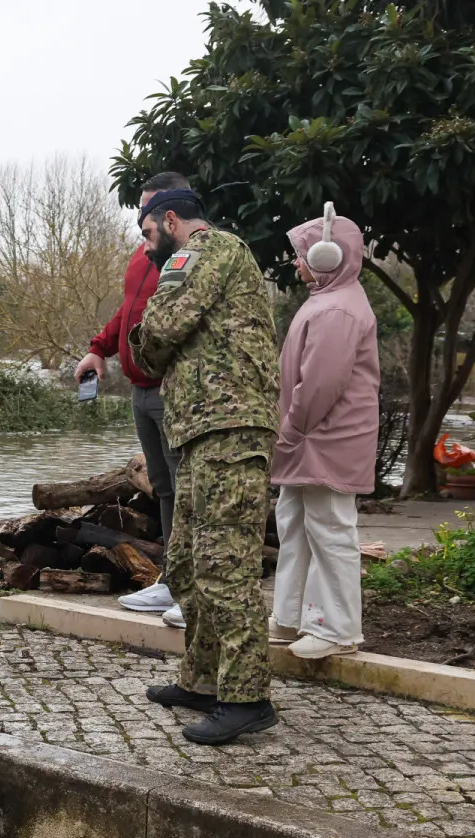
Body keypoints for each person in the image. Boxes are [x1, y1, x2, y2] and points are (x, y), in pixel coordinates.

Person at [129, 188, 281, 745]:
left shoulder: (206, 250)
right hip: (199, 428)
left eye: (148, 233)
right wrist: (144, 343)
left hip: (230, 426)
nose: (147, 246)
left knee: (225, 563)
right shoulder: (192, 257)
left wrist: (143, 337)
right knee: (190, 563)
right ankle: (201, 680)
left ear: (171, 220)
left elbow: (157, 336)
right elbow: (149, 348)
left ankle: (247, 698)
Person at [76, 171, 191, 617]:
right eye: (142, 211)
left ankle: (193, 590)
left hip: (173, 388)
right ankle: (172, 580)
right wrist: (98, 348)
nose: (147, 219)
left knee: (188, 487)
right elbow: (130, 308)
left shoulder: (191, 257)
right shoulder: (144, 255)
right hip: (140, 390)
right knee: (164, 488)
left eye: (153, 209)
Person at [271, 206, 379, 660]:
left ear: (327, 256)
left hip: (324, 438)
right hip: (311, 438)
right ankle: (292, 615)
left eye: (301, 254)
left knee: (330, 528)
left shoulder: (336, 308)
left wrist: (290, 430)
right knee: (294, 522)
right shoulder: (327, 300)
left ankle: (337, 628)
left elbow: (320, 384)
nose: (295, 262)